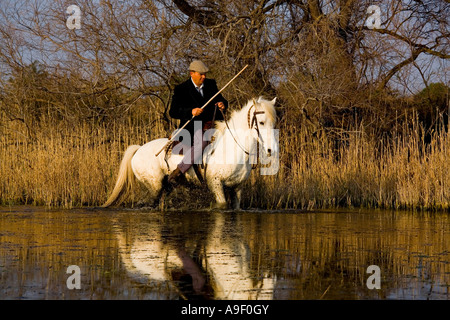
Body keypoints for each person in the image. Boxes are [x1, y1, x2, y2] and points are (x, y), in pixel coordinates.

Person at [167, 60, 228, 187]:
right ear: (192, 74)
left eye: (205, 74)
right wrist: (191, 112)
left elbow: (221, 99)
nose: (204, 77)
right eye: (201, 74)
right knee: (202, 143)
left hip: (213, 124)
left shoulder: (211, 84)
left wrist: (223, 104)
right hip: (192, 127)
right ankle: (178, 172)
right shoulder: (181, 89)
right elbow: (173, 112)